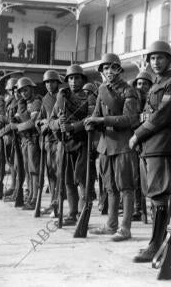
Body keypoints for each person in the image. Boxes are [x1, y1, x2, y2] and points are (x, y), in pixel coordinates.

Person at [130, 40, 171, 262]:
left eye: (160, 57)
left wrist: (137, 134)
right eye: (152, 58)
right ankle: (156, 243)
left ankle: (157, 245)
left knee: (160, 194)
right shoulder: (156, 83)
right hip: (150, 146)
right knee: (154, 195)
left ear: (169, 60)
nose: (156, 62)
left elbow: (162, 115)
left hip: (161, 145)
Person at [85, 53, 140, 242]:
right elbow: (96, 113)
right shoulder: (101, 90)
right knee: (110, 188)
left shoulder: (129, 91)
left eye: (112, 67)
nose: (109, 71)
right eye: (105, 68)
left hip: (123, 144)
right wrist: (90, 123)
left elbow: (130, 119)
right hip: (105, 146)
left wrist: (101, 120)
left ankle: (125, 228)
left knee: (126, 187)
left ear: (119, 69)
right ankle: (111, 225)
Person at [48, 64, 90, 226]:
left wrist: (73, 126)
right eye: (71, 78)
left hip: (82, 143)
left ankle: (82, 213)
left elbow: (90, 118)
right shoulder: (62, 98)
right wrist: (59, 123)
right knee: (67, 181)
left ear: (82, 79)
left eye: (77, 78)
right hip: (64, 144)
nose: (73, 81)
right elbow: (51, 121)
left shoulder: (88, 98)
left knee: (82, 180)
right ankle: (72, 214)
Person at [14, 77, 43, 210]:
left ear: (31, 89)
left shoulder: (36, 102)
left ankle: (35, 198)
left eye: (26, 90)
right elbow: (23, 118)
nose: (24, 93)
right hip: (24, 140)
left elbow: (31, 122)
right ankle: (30, 195)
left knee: (34, 170)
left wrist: (18, 126)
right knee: (27, 169)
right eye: (21, 91)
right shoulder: (23, 103)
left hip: (34, 138)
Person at [36, 70, 62, 216]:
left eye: (52, 82)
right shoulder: (45, 99)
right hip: (47, 141)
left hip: (59, 140)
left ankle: (57, 204)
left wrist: (50, 123)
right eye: (47, 82)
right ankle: (53, 202)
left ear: (57, 83)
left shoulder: (62, 96)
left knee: (59, 173)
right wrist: (41, 123)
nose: (49, 85)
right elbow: (39, 120)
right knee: (50, 173)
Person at [132, 70, 153, 222]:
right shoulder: (133, 100)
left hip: (150, 143)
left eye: (145, 83)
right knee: (136, 179)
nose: (141, 86)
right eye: (139, 83)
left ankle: (152, 209)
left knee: (150, 179)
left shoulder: (153, 99)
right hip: (134, 143)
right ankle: (138, 208)